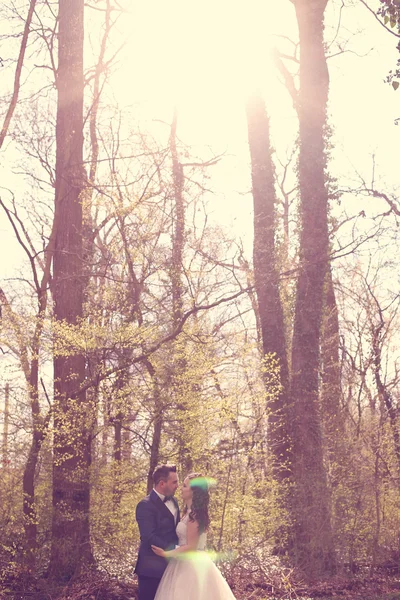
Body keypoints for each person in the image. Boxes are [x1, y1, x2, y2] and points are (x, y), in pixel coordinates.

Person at [151, 473, 237, 600]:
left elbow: (191, 546)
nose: (181, 488)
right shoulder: (188, 513)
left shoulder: (194, 516)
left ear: (194, 492)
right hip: (182, 562)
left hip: (191, 565)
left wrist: (166, 554)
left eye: (185, 486)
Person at [135, 464, 180, 600]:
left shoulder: (175, 501)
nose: (177, 485)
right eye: (174, 482)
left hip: (173, 566)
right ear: (162, 483)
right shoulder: (145, 505)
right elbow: (149, 536)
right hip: (151, 569)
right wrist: (176, 549)